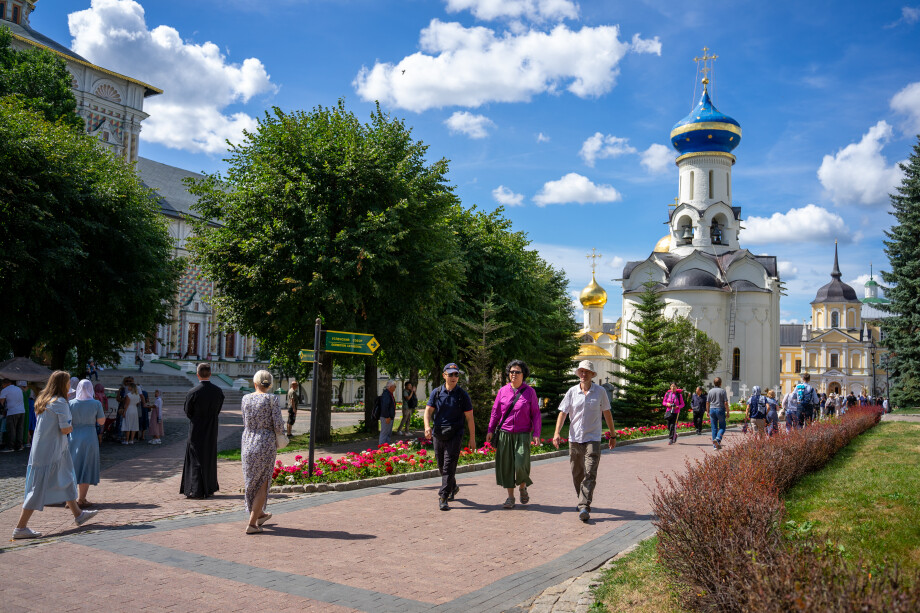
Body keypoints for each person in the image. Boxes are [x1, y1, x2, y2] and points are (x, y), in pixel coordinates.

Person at [12, 371, 99, 539]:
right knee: (38, 489)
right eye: (67, 382)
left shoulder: (44, 400)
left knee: (66, 479)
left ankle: (78, 514)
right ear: (62, 384)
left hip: (48, 449)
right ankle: (20, 527)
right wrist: (73, 426)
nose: (69, 386)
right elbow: (65, 428)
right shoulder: (60, 402)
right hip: (51, 451)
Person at [552, 360, 615, 522]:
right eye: (581, 371)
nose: (583, 374)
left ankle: (584, 506)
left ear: (593, 375)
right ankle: (581, 498)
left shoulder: (600, 392)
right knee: (577, 472)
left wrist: (612, 435)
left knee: (590, 472)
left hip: (593, 439)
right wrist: (557, 433)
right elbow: (563, 413)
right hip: (575, 439)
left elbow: (607, 413)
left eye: (587, 371)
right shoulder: (572, 392)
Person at [486, 360, 541, 509]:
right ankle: (510, 497)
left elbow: (536, 414)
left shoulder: (530, 392)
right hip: (505, 433)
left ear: (524, 375)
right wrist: (490, 429)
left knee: (521, 463)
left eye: (517, 372)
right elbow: (496, 412)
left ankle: (522, 486)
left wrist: (536, 433)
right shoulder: (502, 391)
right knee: (507, 466)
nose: (514, 375)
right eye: (511, 372)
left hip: (523, 433)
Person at [423, 363, 475, 511]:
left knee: (448, 465)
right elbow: (428, 412)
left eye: (456, 375)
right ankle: (453, 486)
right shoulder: (437, 392)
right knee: (441, 465)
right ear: (444, 375)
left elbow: (470, 418)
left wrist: (472, 438)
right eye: (450, 374)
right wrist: (427, 427)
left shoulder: (462, 395)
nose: (453, 377)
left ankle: (443, 496)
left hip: (455, 434)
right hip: (438, 434)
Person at [241, 370, 285, 533]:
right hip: (265, 442)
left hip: (247, 441)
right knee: (262, 482)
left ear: (255, 383)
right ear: (270, 384)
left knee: (251, 481)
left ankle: (260, 514)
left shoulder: (246, 398)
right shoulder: (272, 399)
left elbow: (245, 420)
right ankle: (252, 524)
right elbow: (279, 425)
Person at [180, 363, 224, 499]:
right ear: (210, 374)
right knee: (209, 457)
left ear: (197, 374)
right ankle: (209, 487)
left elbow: (188, 411)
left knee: (195, 457)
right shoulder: (218, 391)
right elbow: (218, 410)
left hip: (197, 428)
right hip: (211, 428)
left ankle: (195, 488)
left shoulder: (193, 392)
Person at [69, 380, 105, 507]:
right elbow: (101, 422)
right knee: (87, 466)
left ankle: (71, 500)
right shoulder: (96, 403)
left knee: (73, 466)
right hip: (90, 436)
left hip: (74, 436)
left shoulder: (71, 403)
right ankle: (82, 498)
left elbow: (67, 421)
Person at [0, 378, 26, 452]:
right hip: (22, 411)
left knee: (11, 429)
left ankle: (10, 447)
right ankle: (19, 446)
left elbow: (1, 402)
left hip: (12, 412)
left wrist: (4, 410)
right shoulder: (18, 389)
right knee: (20, 429)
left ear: (4, 384)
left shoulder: (5, 390)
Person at [706, 377, 728, 450]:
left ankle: (715, 446)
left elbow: (707, 402)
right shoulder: (722, 391)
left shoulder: (710, 391)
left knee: (714, 427)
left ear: (714, 383)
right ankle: (718, 439)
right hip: (720, 409)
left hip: (712, 409)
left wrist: (707, 411)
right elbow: (725, 402)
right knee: (722, 426)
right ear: (720, 383)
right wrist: (728, 411)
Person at [120, 381, 141, 445]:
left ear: (131, 387)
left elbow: (126, 404)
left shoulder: (128, 395)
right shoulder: (137, 395)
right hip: (135, 410)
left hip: (129, 410)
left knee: (128, 424)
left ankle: (126, 440)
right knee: (134, 424)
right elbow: (138, 403)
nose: (128, 387)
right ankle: (131, 440)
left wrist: (124, 412)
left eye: (129, 386)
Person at [377, 380, 397, 446]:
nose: (395, 388)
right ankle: (382, 447)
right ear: (390, 387)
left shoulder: (389, 393)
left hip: (389, 416)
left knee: (388, 433)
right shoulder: (386, 394)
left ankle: (386, 446)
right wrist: (387, 416)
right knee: (384, 432)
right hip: (386, 417)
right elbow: (385, 406)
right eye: (394, 386)